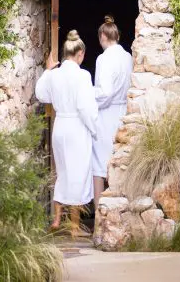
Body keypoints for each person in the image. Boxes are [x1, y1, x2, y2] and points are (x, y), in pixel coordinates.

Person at [35, 29, 99, 236]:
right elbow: (85, 107)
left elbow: (41, 94)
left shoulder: (54, 75)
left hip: (60, 126)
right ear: (80, 54)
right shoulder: (83, 76)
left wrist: (47, 71)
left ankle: (56, 220)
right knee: (78, 174)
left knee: (62, 173)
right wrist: (94, 129)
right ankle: (74, 227)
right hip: (76, 127)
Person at [92, 15, 133, 212]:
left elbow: (105, 92)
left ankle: (100, 215)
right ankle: (120, 213)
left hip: (106, 114)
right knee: (120, 163)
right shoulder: (128, 57)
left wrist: (88, 96)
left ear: (103, 36)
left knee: (99, 164)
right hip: (123, 112)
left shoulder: (104, 58)